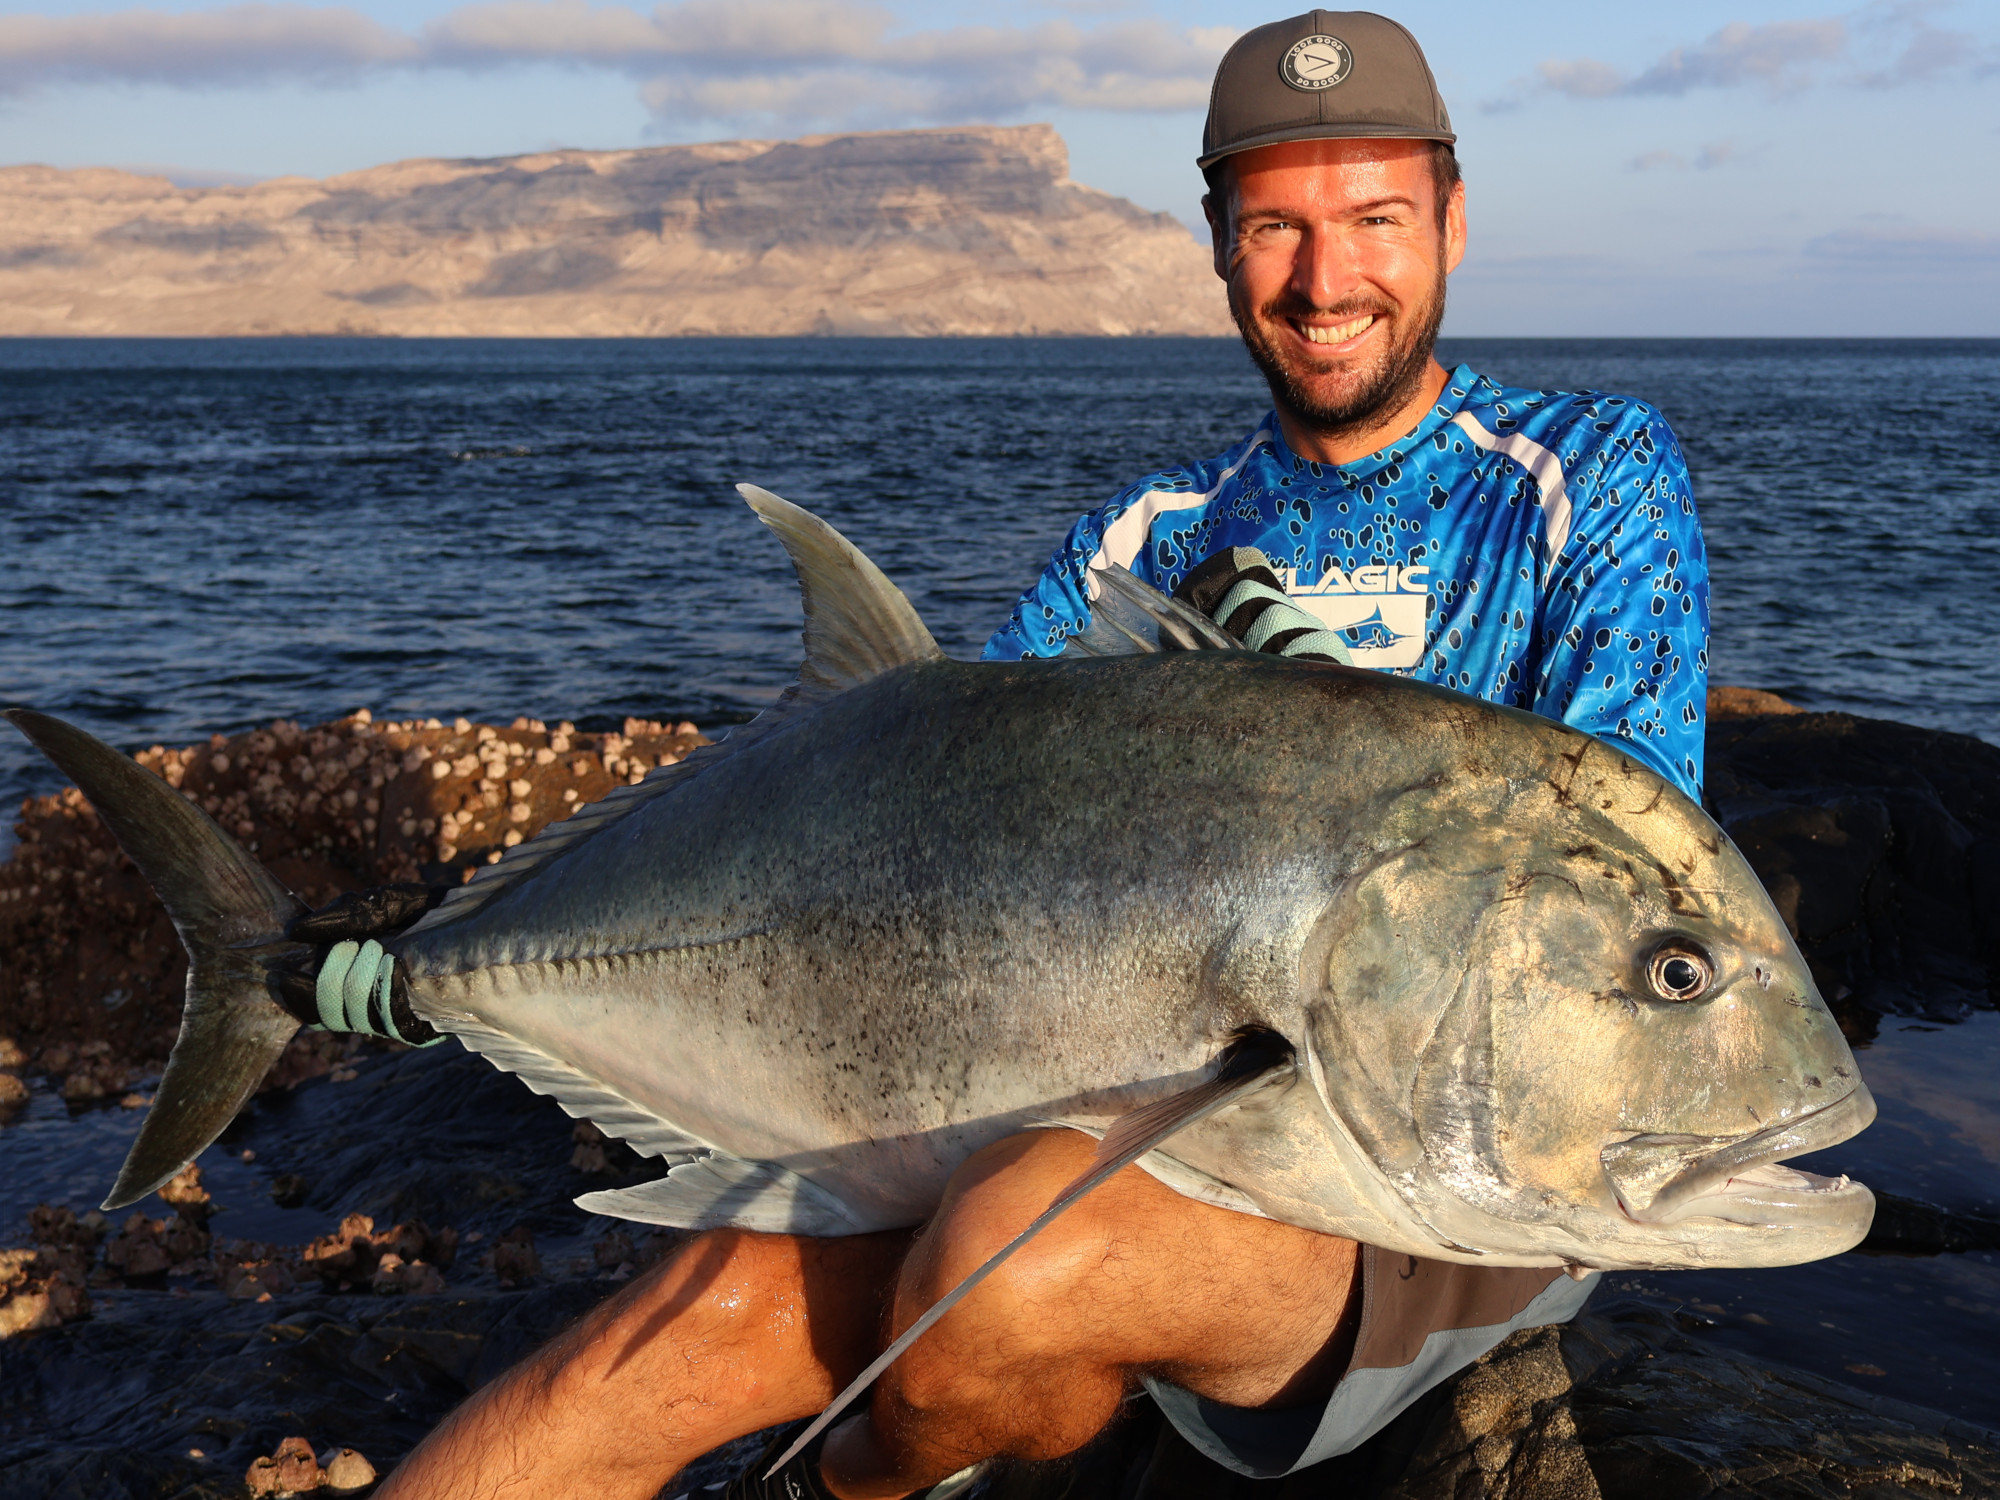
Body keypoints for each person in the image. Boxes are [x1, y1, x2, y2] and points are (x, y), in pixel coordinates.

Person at [376, 11, 1709, 1499]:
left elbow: (1627, 845)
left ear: (1453, 220)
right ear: (1216, 241)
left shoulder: (1585, 474)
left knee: (1018, 1254)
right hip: (1099, 1100)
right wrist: (448, 973)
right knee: (674, 1327)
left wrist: (1329, 727)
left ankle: (862, 1483)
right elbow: (940, 815)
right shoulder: (1148, 534)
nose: (1327, 280)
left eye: (1375, 218)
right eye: (1275, 226)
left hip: (1431, 1164)